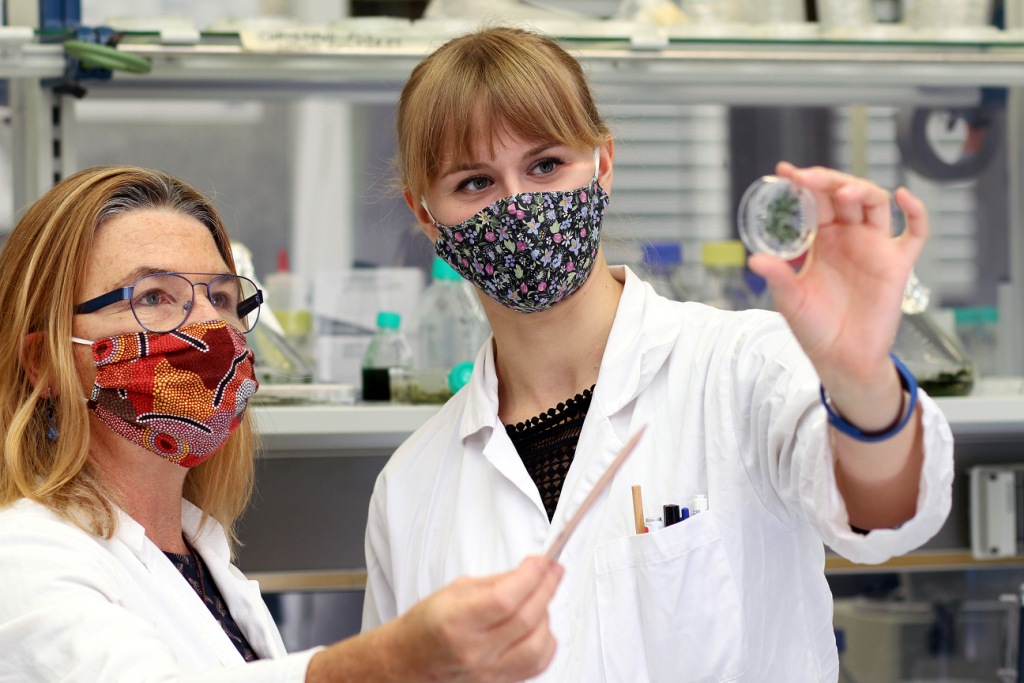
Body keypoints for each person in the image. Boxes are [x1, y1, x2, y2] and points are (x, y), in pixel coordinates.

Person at [362, 26, 955, 681]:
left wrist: (862, 379)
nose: (519, 204)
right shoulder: (410, 488)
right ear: (426, 215)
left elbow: (885, 514)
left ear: (603, 165)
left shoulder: (740, 368)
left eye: (546, 165)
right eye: (475, 182)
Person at [0, 165, 563, 682]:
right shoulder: (23, 557)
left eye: (222, 296)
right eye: (153, 296)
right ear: (44, 363)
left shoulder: (201, 554)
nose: (210, 325)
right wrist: (387, 662)